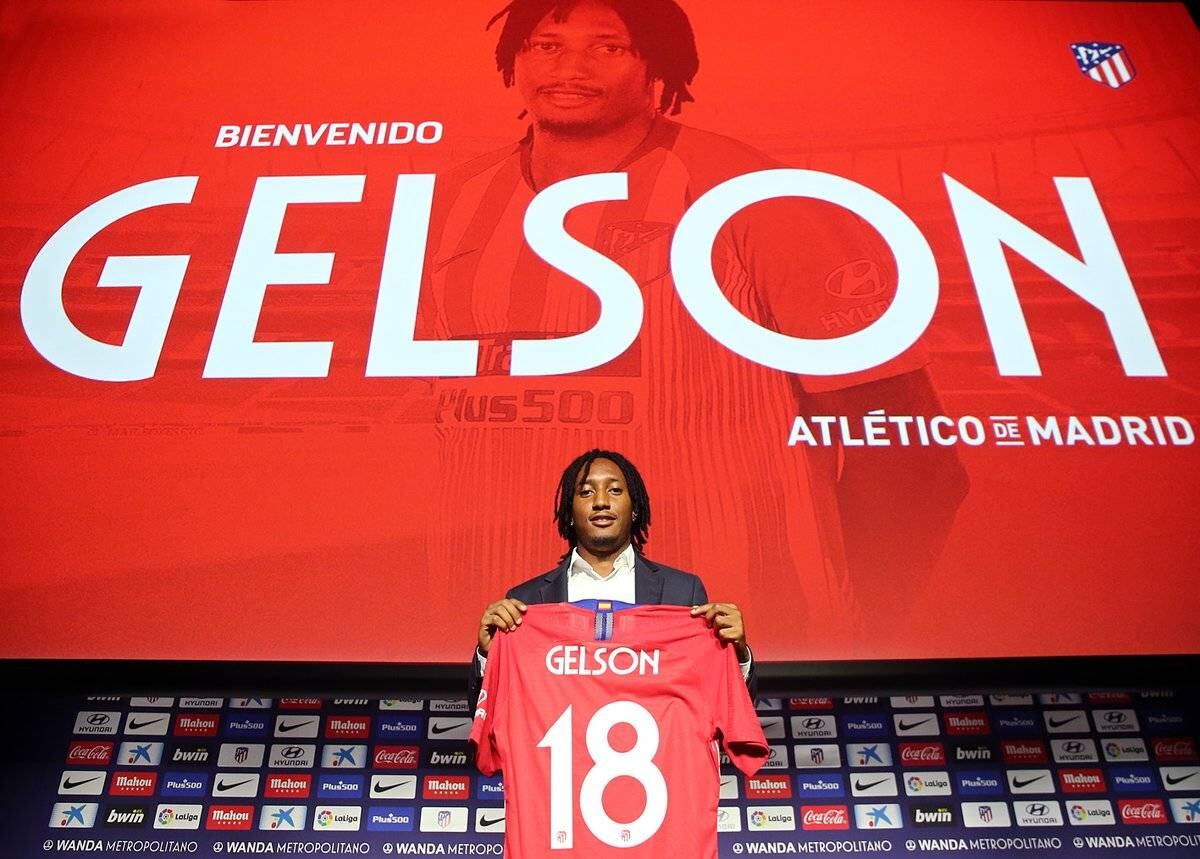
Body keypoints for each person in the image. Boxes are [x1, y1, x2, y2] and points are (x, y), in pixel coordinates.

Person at [425, 0, 967, 661]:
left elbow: (914, 463)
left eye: (608, 47)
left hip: (733, 643)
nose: (570, 67)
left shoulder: (759, 195)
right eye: (546, 45)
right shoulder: (453, 200)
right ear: (514, 61)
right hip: (504, 649)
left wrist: (857, 641)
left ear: (658, 66)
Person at [469, 448, 754, 710]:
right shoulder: (526, 601)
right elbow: (488, 715)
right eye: (586, 492)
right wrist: (487, 656)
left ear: (635, 509)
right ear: (569, 513)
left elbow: (720, 706)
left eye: (615, 490)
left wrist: (738, 656)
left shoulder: (681, 592)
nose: (601, 502)